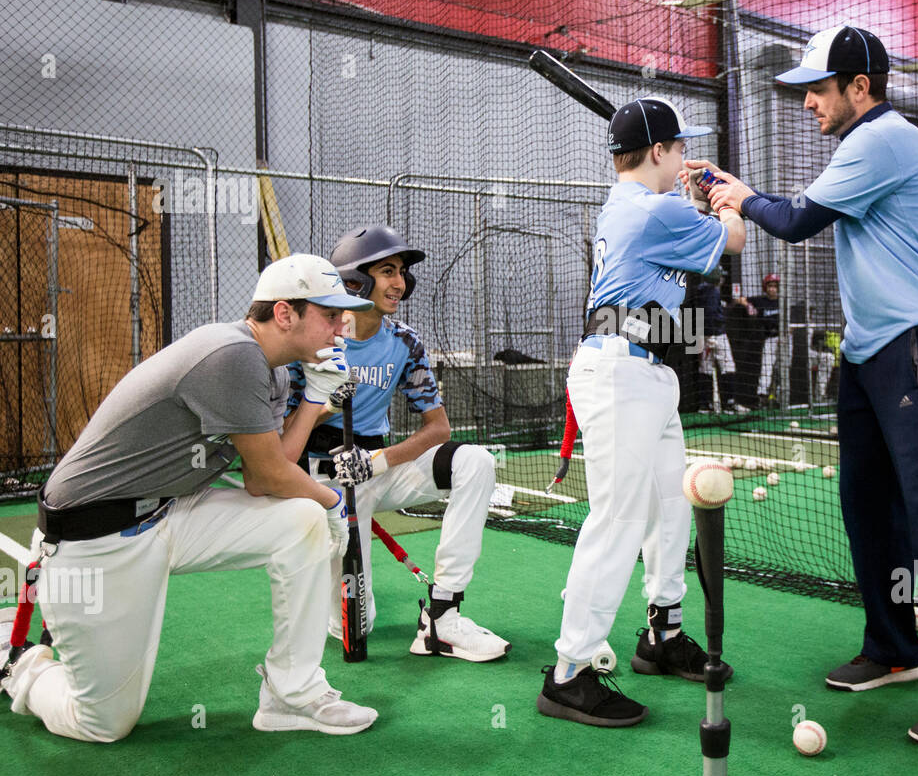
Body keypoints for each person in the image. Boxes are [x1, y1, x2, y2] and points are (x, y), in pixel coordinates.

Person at [686, 25, 918, 749]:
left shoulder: (885, 138)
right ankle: (894, 645)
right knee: (868, 505)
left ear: (860, 88)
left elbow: (798, 219)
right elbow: (793, 210)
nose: (809, 101)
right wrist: (736, 197)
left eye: (819, 87)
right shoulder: (857, 148)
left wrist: (738, 194)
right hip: (871, 354)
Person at [1, 254, 379, 741]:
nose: (341, 328)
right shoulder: (232, 355)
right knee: (101, 724)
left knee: (299, 519)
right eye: (329, 315)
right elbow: (265, 479)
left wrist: (312, 401)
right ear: (285, 314)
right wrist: (332, 501)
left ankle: (293, 693)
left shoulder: (274, 368)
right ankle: (19, 665)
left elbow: (273, 468)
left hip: (170, 512)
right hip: (97, 537)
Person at [537, 96, 746, 727]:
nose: (685, 156)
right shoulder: (652, 211)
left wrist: (693, 193)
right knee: (619, 518)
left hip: (648, 368)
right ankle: (569, 671)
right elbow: (733, 239)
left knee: (670, 502)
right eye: (680, 148)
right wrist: (726, 196)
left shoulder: (641, 205)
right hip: (621, 370)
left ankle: (662, 632)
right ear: (658, 151)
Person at [289, 225, 510, 661]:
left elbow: (437, 429)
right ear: (354, 280)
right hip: (327, 484)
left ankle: (442, 617)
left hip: (379, 467)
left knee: (476, 462)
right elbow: (282, 435)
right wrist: (326, 406)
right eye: (388, 271)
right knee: (354, 624)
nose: (400, 282)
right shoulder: (313, 342)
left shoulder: (405, 341)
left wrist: (377, 462)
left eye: (402, 273)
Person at [695, 266, 745, 412]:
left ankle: (706, 405)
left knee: (705, 368)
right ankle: (728, 403)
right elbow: (711, 315)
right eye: (720, 276)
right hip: (714, 334)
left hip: (702, 334)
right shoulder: (712, 291)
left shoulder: (701, 290)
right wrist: (711, 334)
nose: (722, 279)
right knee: (727, 366)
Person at [737, 273, 783, 406]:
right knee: (767, 368)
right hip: (770, 339)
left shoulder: (783, 301)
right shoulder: (760, 301)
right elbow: (740, 299)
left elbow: (792, 323)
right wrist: (749, 306)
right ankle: (762, 397)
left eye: (775, 286)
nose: (772, 289)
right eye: (770, 286)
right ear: (765, 287)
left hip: (784, 339)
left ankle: (780, 398)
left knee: (783, 368)